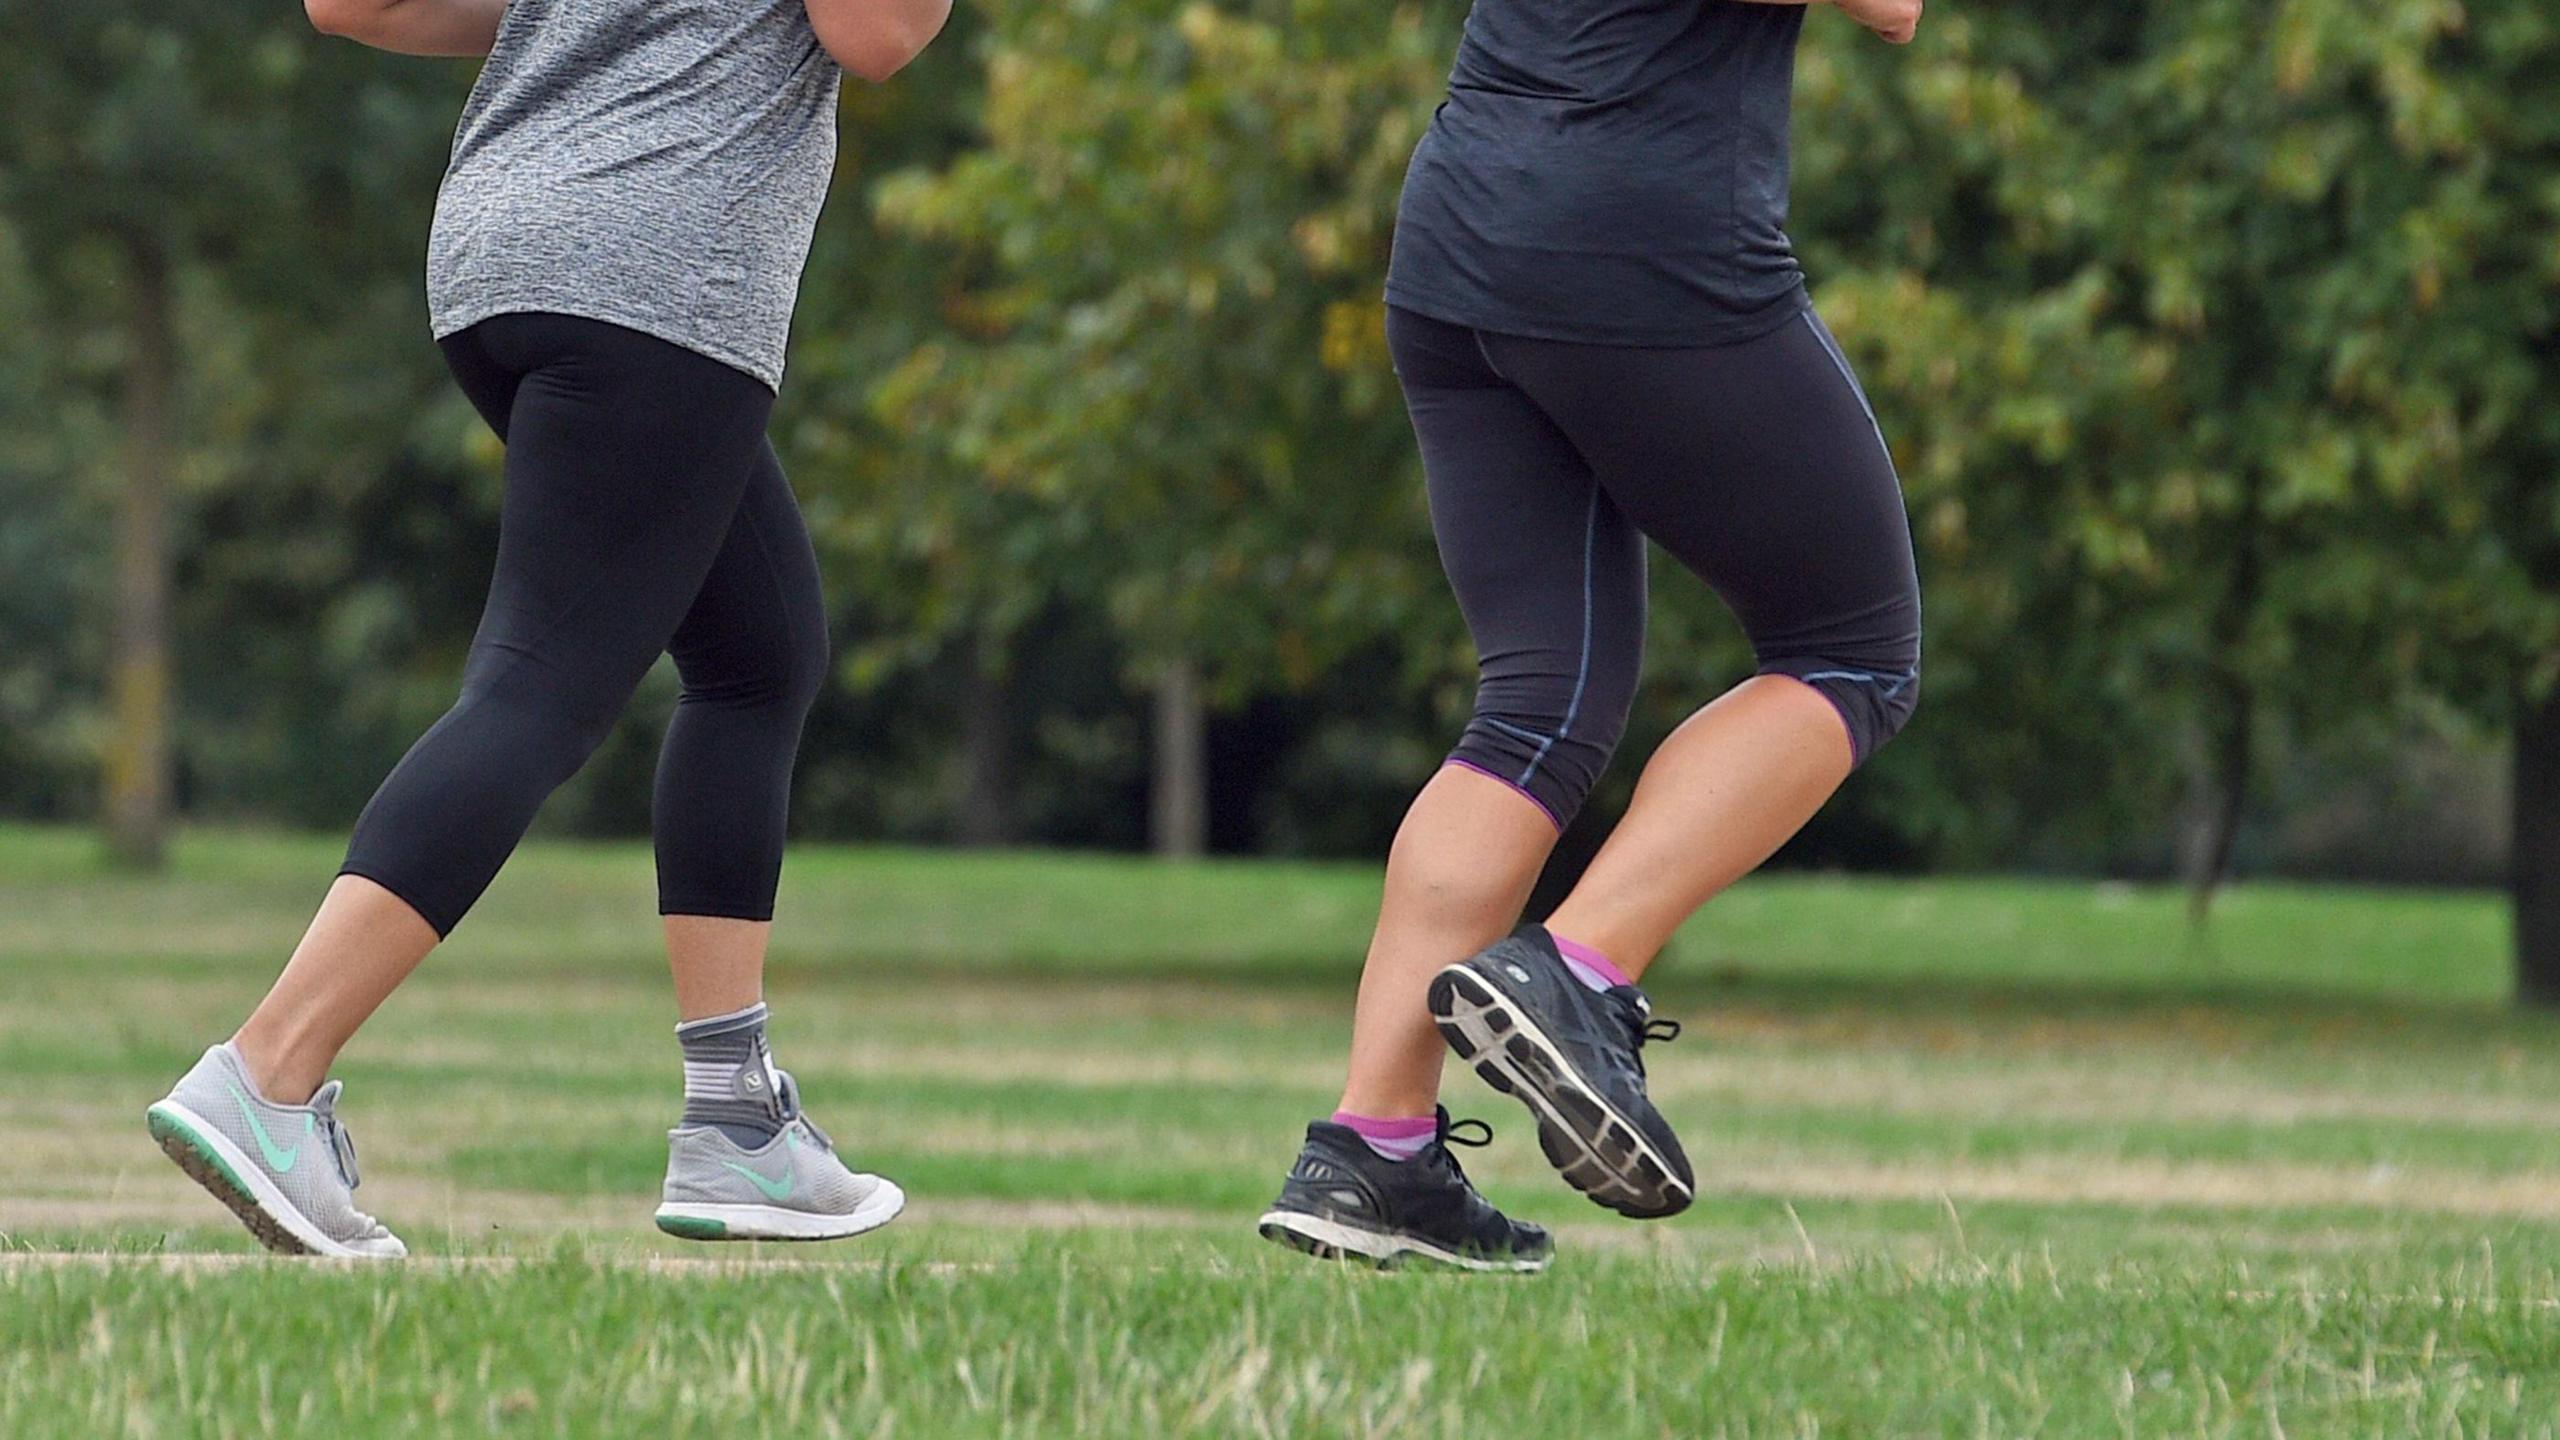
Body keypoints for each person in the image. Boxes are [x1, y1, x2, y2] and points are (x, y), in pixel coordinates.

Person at [143, 0, 951, 1258]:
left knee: (759, 657)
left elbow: (356, 4)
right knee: (538, 691)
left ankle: (737, 1116)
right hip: (658, 268)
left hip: (500, 244)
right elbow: (878, 30)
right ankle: (268, 1071)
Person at [1258, 0, 1928, 1272]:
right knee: (1850, 650)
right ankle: (1579, 967)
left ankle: (1375, 1151)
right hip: (1639, 242)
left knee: (1535, 703)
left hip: (1460, 241)